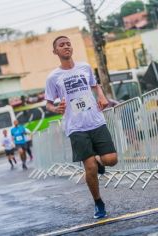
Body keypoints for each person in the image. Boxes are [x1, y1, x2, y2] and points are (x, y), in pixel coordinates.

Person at [45, 36, 118, 219]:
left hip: (95, 120)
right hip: (75, 126)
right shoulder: (53, 77)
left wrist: (101, 96)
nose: (66, 46)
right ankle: (98, 202)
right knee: (90, 168)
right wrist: (56, 108)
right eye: (61, 45)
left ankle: (100, 162)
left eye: (68, 43)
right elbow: (48, 104)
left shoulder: (84, 67)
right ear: (55, 52)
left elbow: (95, 85)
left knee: (111, 159)